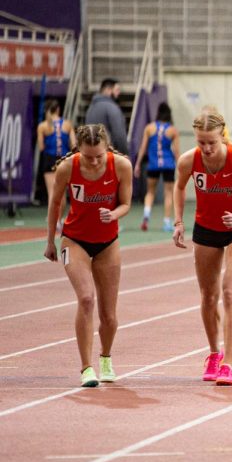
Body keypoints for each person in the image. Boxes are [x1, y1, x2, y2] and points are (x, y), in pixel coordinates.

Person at [173, 108, 232, 386]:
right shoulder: (189, 161)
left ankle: (229, 364)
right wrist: (178, 222)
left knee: (230, 292)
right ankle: (213, 353)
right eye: (201, 142)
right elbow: (179, 187)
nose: (207, 148)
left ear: (222, 136)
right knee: (208, 295)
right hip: (207, 228)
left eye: (212, 142)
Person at [43, 124, 133, 386]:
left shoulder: (121, 166)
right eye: (88, 156)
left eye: (98, 156)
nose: (93, 161)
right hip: (74, 240)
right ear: (78, 150)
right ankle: (86, 368)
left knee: (109, 315)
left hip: (107, 242)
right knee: (85, 299)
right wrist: (50, 240)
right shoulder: (68, 168)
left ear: (107, 149)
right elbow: (55, 204)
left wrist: (113, 214)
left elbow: (126, 203)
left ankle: (106, 358)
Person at [135, 102, 180, 232]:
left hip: (153, 164)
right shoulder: (173, 130)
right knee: (168, 194)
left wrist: (137, 164)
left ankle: (146, 216)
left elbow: (142, 147)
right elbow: (177, 152)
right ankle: (166, 222)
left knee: (150, 192)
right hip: (168, 165)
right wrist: (181, 167)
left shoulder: (149, 128)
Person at [36, 99, 76, 228]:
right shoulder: (67, 124)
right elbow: (74, 144)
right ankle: (59, 219)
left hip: (49, 159)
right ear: (58, 109)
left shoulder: (43, 126)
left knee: (52, 192)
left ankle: (52, 220)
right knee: (62, 193)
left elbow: (41, 147)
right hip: (64, 160)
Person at [85, 79, 129, 155]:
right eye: (117, 90)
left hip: (91, 154)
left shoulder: (90, 108)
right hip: (108, 156)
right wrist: (125, 155)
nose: (119, 93)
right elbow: (119, 136)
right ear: (108, 89)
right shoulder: (112, 107)